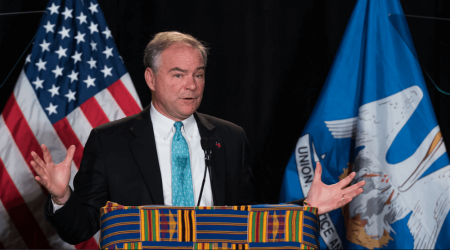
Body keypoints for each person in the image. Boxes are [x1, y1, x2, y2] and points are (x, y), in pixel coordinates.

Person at [31, 31, 365, 244]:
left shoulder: (230, 139)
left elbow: (250, 222)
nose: (192, 85)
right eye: (178, 74)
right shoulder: (110, 142)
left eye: (199, 74)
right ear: (150, 77)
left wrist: (308, 208)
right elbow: (79, 230)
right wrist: (62, 197)